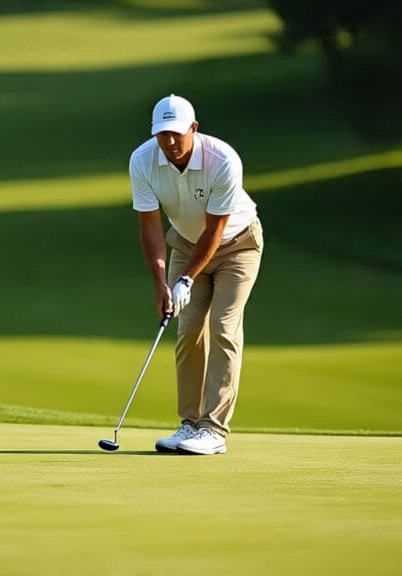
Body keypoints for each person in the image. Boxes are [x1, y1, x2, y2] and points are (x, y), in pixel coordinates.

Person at [129, 94, 263, 455]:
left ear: (193, 129)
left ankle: (214, 430)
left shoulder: (223, 160)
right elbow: (151, 228)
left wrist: (185, 279)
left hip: (237, 245)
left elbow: (215, 232)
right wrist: (161, 283)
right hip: (185, 247)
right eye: (162, 134)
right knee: (187, 329)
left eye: (176, 133)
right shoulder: (142, 161)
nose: (169, 142)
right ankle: (189, 425)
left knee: (223, 326)